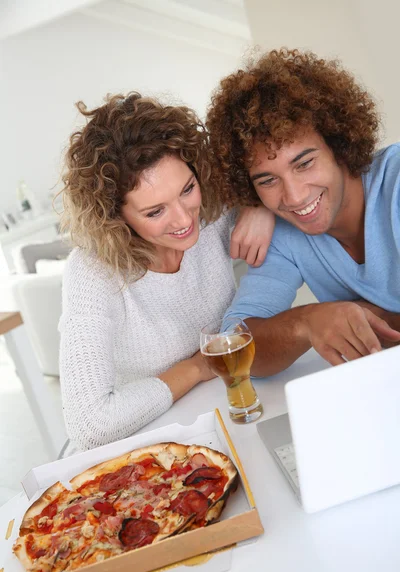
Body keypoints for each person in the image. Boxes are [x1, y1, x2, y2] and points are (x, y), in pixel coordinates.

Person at [59, 92, 274, 450]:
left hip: (221, 416)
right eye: (154, 212)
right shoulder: (94, 272)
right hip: (144, 450)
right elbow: (90, 426)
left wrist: (259, 207)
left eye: (187, 189)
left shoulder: (211, 213)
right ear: (115, 217)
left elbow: (277, 188)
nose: (184, 219)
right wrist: (199, 367)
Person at [206, 48, 400, 377]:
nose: (295, 197)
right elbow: (236, 346)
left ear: (338, 144)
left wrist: (362, 314)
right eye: (268, 180)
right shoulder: (283, 235)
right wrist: (306, 322)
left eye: (304, 163)